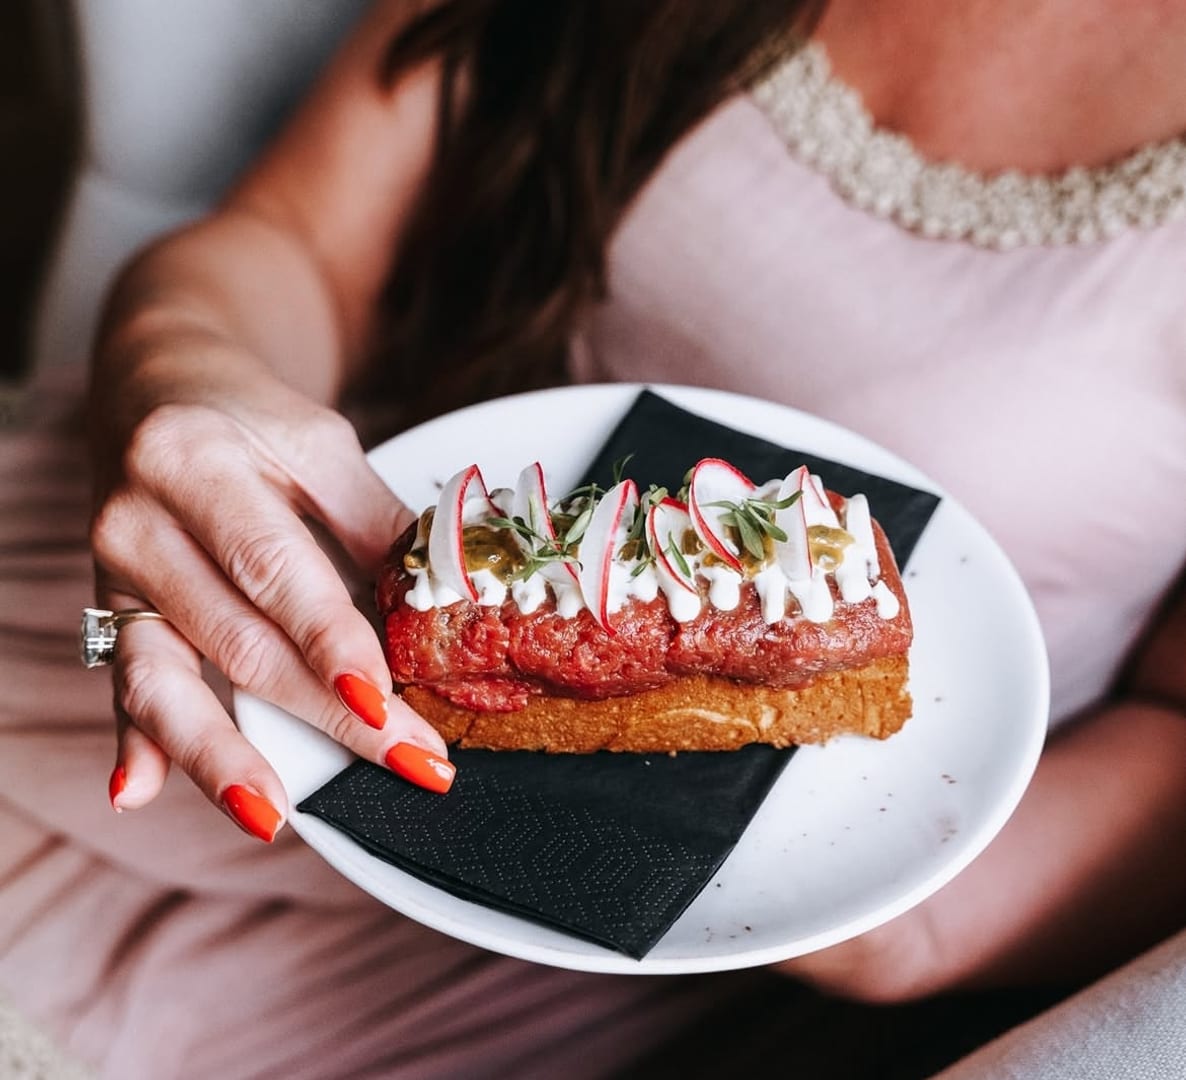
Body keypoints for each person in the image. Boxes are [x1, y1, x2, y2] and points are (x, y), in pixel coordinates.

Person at [2, 0, 1185, 1075]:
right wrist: (178, 371)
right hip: (268, 586)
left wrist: (900, 920)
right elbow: (297, 238)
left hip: (616, 931)